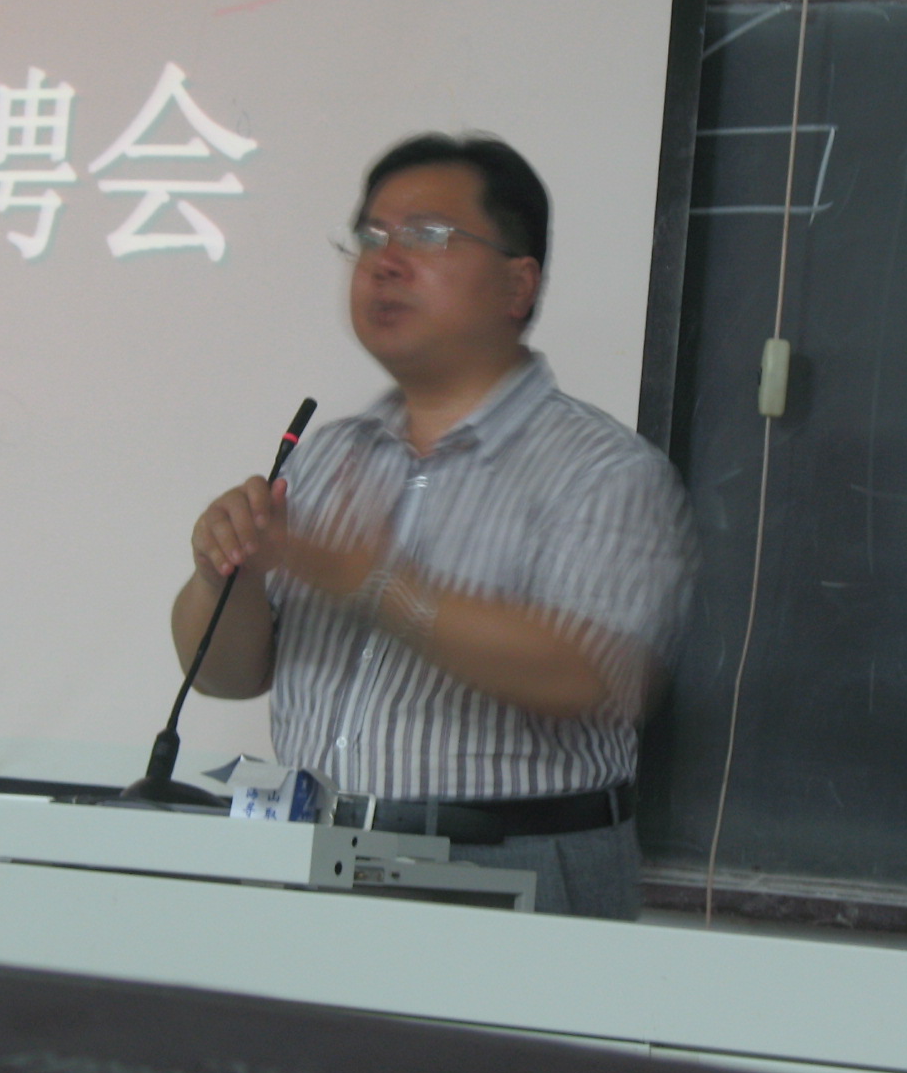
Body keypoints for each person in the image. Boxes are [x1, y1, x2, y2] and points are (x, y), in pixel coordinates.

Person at [171, 133, 697, 919]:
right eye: (370, 237)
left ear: (517, 284)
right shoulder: (329, 457)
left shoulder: (603, 471)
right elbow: (226, 676)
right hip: (312, 859)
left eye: (426, 236)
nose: (384, 262)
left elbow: (593, 677)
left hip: (506, 870)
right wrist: (223, 575)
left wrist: (376, 584)